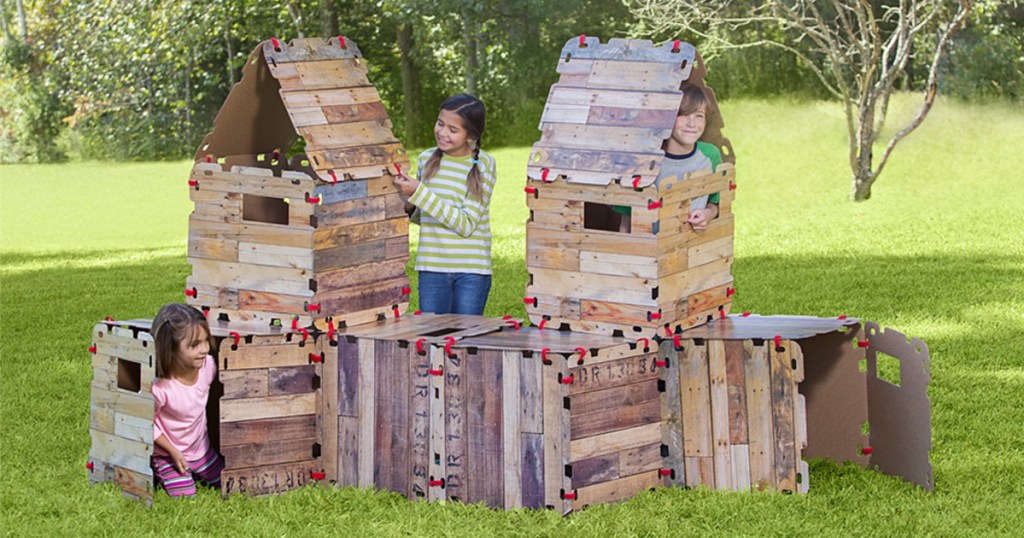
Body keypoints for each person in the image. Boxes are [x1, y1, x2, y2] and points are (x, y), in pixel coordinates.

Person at [394, 94, 497, 315]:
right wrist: (408, 203)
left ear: (470, 135)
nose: (442, 132)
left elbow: (466, 225)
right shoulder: (425, 159)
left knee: (464, 340)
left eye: (453, 129)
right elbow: (428, 215)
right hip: (432, 267)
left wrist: (419, 193)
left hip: (471, 270)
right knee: (433, 340)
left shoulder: (484, 165)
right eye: (440, 123)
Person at [610, 83, 722, 232]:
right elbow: (627, 220)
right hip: (650, 247)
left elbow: (716, 201)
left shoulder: (710, 155)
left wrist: (707, 214)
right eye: (683, 115)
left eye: (699, 116)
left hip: (691, 246)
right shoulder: (646, 161)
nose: (692, 123)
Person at [150, 303, 223, 498]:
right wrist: (172, 452)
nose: (204, 349)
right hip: (170, 454)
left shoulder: (208, 367)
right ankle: (161, 471)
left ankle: (196, 471)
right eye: (194, 345)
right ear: (171, 349)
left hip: (201, 449)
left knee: (226, 483)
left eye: (205, 340)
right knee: (186, 495)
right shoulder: (161, 389)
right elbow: (147, 423)